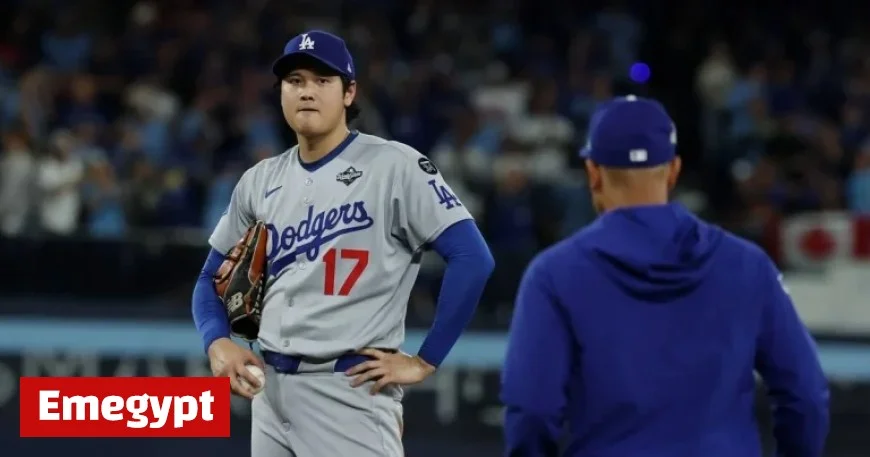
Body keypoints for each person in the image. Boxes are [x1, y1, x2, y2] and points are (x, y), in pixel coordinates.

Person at [191, 30, 494, 457]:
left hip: (348, 391)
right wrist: (216, 340)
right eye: (295, 81)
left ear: (349, 92)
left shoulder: (394, 165)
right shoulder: (260, 181)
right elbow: (208, 279)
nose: (307, 92)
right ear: (280, 92)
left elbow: (472, 258)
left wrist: (426, 360)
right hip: (270, 390)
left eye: (323, 80)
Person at [500, 95, 830, 457]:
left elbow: (532, 410)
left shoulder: (554, 274)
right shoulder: (748, 265)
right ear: (673, 170)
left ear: (593, 173)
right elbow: (805, 394)